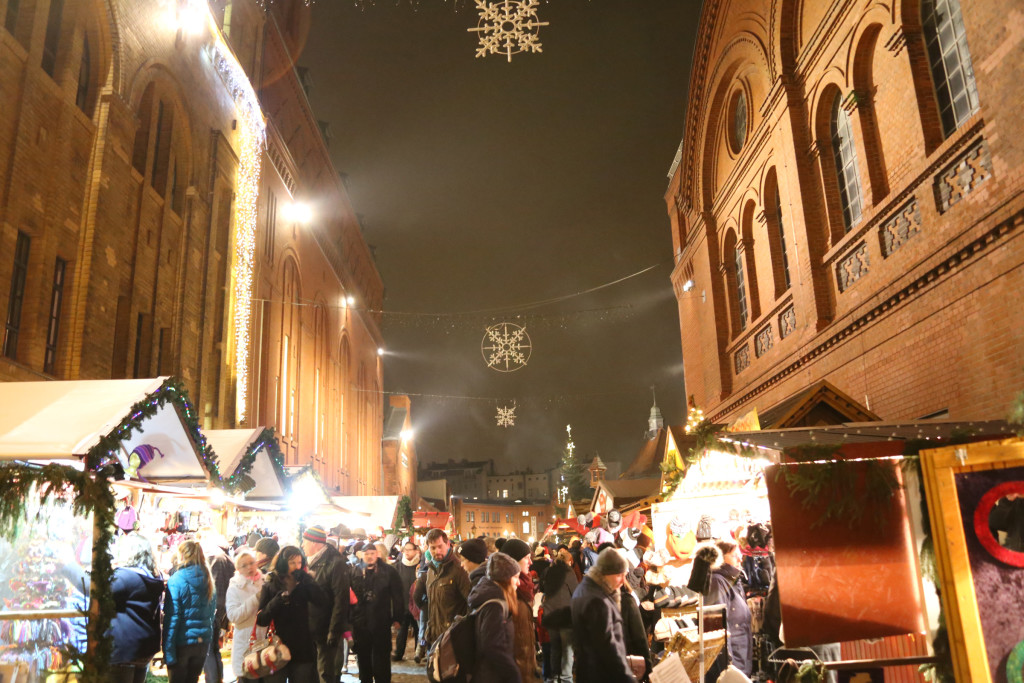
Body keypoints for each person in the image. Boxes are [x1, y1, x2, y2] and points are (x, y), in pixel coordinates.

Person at [256, 546, 327, 683]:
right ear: (283, 563)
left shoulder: (304, 583)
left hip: (302, 647)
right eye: (292, 563)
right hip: (277, 647)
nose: (297, 566)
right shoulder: (271, 583)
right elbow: (262, 619)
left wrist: (308, 581)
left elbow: (321, 601)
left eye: (299, 563)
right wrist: (277, 600)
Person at [571, 547, 633, 683]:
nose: (623, 581)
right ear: (606, 573)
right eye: (619, 575)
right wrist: (628, 678)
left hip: (588, 671)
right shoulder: (598, 601)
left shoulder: (586, 588)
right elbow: (609, 649)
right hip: (601, 675)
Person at [110, 534, 164, 683]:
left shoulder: (124, 577)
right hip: (144, 649)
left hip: (124, 650)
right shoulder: (153, 576)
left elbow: (95, 591)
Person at [301, 525, 351, 683]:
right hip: (307, 628)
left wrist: (334, 630)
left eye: (304, 541)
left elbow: (340, 600)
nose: (302, 545)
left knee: (324, 674)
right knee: (309, 673)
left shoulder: (335, 563)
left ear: (314, 543)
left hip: (325, 629)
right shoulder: (305, 562)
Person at [350, 543, 405, 683]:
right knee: (363, 660)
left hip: (381, 621)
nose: (369, 556)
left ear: (377, 554)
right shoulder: (355, 571)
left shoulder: (389, 571)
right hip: (361, 623)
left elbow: (398, 595)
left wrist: (398, 618)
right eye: (366, 553)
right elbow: (349, 596)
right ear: (362, 555)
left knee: (382, 660)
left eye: (372, 553)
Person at [163, 540, 218, 683]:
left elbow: (172, 617)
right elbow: (211, 614)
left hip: (182, 643)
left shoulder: (176, 579)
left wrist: (168, 652)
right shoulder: (209, 579)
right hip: (202, 643)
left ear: (181, 556)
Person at [466, 553, 523, 683]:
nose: (518, 583)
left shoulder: (491, 598)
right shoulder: (494, 605)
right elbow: (492, 645)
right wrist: (513, 673)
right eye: (515, 578)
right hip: (491, 676)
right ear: (505, 579)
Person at [707, 539, 752, 678]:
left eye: (739, 554)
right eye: (734, 555)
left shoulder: (733, 581)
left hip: (742, 659)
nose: (740, 558)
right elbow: (718, 627)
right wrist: (728, 664)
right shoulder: (717, 581)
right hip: (732, 664)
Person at [422, 529, 471, 654]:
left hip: (452, 638)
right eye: (432, 548)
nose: (437, 551)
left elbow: (470, 602)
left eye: (440, 546)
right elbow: (430, 603)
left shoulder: (459, 569)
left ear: (448, 544)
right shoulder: (431, 570)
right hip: (434, 637)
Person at [500, 539, 541, 683]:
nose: (531, 562)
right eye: (527, 558)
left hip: (525, 664)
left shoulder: (525, 585)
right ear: (513, 561)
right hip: (513, 668)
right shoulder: (506, 589)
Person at [199, 530, 235, 683]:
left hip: (212, 610)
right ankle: (217, 680)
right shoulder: (226, 558)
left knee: (209, 652)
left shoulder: (215, 557)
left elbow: (212, 588)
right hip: (220, 610)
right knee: (214, 650)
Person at [226, 550, 265, 682]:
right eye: (244, 565)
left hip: (265, 646)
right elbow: (233, 616)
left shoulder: (265, 583)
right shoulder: (235, 588)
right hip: (245, 646)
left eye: (252, 563)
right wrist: (255, 599)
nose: (249, 567)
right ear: (238, 569)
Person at [540, 545, 578, 683]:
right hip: (564, 616)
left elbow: (542, 587)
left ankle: (554, 679)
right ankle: (566, 678)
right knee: (567, 650)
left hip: (550, 615)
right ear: (569, 561)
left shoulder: (549, 571)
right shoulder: (569, 572)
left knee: (554, 648)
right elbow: (576, 592)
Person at [393, 541, 421, 661]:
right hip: (403, 604)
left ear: (416, 551)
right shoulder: (398, 566)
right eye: (405, 550)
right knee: (401, 632)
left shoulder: (421, 565)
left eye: (410, 549)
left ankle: (418, 654)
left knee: (419, 631)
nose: (407, 552)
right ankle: (399, 654)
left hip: (417, 605)